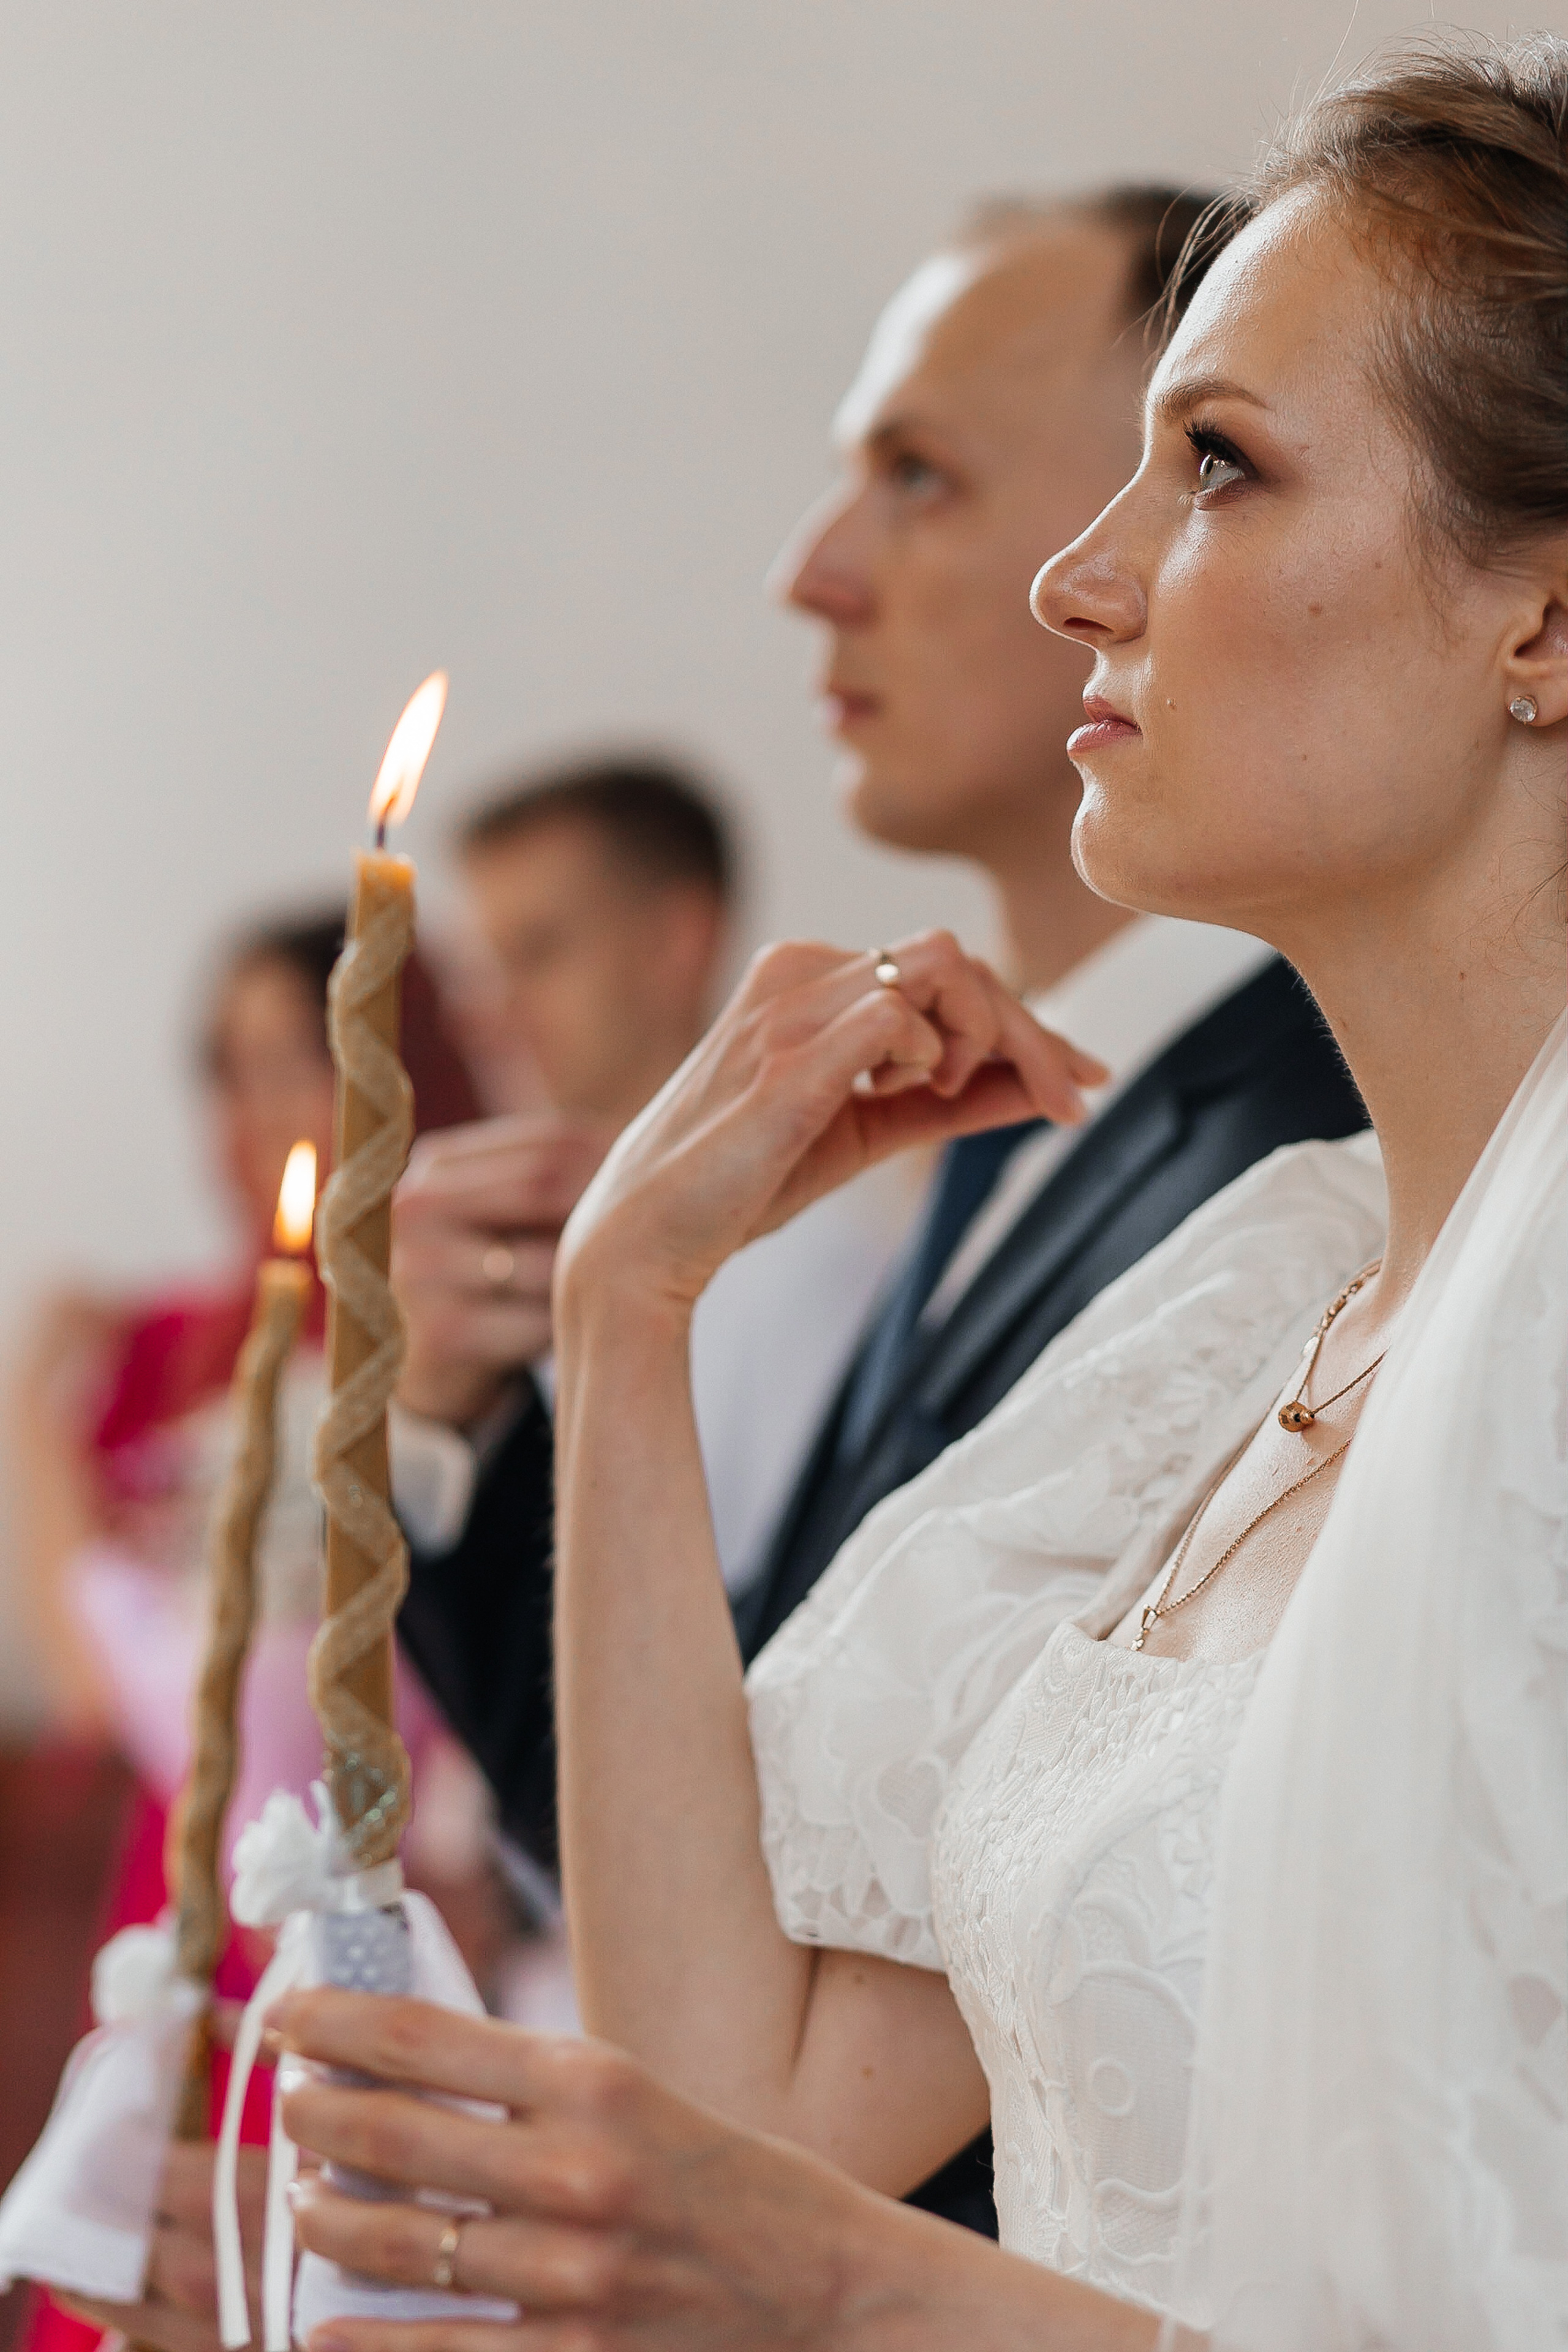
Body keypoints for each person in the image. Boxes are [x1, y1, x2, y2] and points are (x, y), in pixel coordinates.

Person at [233, 34, 1562, 2348]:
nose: (1085, 579)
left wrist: (844, 2295)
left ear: (1541, 621)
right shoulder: (1260, 1291)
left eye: (1222, 467)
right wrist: (631, 1302)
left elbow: (780, 2229)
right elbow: (714, 2094)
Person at [385, 183, 1367, 2237]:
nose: (813, 574)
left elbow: (779, 2091)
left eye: (917, 477)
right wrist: (492, 1425)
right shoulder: (1007, 1122)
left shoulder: (1324, 1152)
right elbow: (756, 1854)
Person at [7, 910, 486, 2352]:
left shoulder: (455, 1331)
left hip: (349, 1883)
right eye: (227, 1070)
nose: (257, 1111)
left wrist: (37, 1459)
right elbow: (106, 1698)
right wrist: (42, 1421)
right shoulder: (164, 1345)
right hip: (175, 1878)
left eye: (303, 1060)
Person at [390, 757, 921, 1855]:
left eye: (535, 953)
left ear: (679, 941)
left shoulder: (800, 1270)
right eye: (479, 971)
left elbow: (756, 1662)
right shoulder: (508, 1251)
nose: (488, 1016)